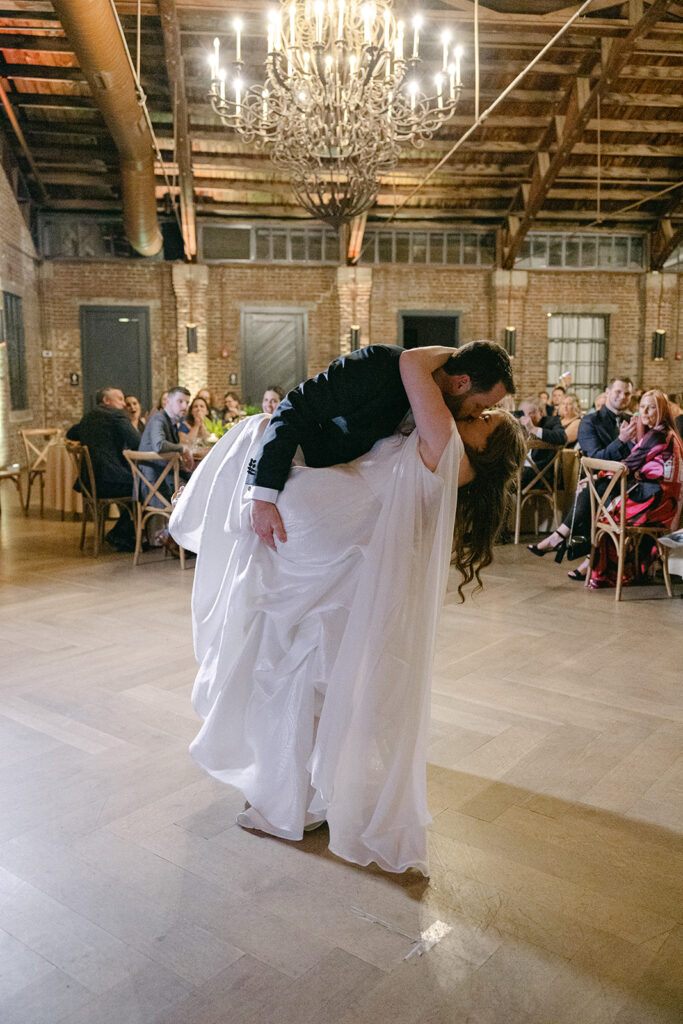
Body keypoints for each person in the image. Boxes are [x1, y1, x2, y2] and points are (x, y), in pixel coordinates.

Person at [169, 345, 525, 875]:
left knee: (296, 675)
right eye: (483, 407)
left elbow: (410, 366)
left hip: (326, 543)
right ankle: (304, 795)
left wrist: (451, 355)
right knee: (310, 680)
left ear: (488, 450)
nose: (477, 414)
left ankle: (293, 798)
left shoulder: (447, 445)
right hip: (340, 553)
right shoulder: (445, 443)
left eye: (487, 420)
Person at [246, 341, 515, 551]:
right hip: (296, 472)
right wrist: (263, 496)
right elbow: (295, 406)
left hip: (343, 521)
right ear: (461, 383)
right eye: (479, 405)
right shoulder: (381, 365)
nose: (473, 415)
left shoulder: (439, 420)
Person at [527, 376, 637, 577]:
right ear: (608, 391)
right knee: (594, 490)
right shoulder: (590, 421)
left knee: (592, 490)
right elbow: (594, 457)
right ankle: (584, 555)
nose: (622, 397)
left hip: (623, 483)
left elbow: (636, 458)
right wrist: (621, 441)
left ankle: (561, 537)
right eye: (618, 392)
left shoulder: (634, 421)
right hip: (602, 482)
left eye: (627, 393)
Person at [589, 389, 683, 587]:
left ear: (663, 410)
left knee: (605, 516)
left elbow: (626, 466)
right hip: (668, 504)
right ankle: (633, 569)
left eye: (651, 407)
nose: (645, 412)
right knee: (611, 507)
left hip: (654, 503)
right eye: (642, 407)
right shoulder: (670, 434)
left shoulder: (657, 436)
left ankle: (609, 575)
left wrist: (596, 474)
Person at [66, 385, 140, 551]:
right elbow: (138, 443)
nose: (124, 404)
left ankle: (126, 534)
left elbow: (71, 434)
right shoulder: (117, 416)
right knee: (146, 488)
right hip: (109, 482)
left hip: (89, 484)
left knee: (137, 486)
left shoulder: (88, 417)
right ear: (106, 401)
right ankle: (120, 534)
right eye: (120, 399)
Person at [518, 397, 566, 489]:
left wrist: (533, 429)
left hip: (542, 475)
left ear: (540, 412)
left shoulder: (552, 422)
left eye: (530, 413)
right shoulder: (519, 424)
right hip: (520, 471)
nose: (526, 417)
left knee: (505, 479)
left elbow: (562, 438)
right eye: (523, 413)